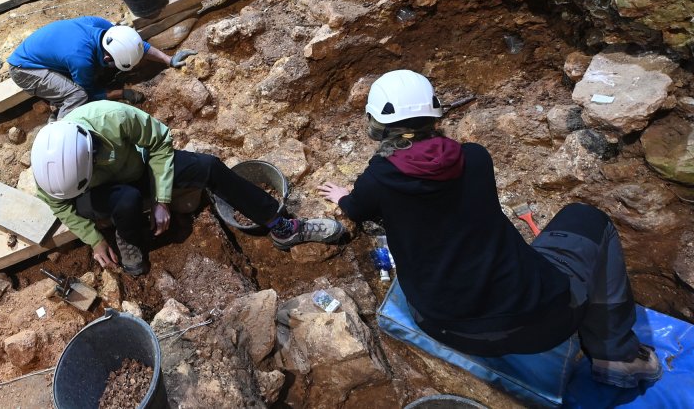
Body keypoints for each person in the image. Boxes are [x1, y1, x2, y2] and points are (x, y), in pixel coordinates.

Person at [317, 70, 661, 389]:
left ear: (376, 124)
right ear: (436, 114)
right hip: (540, 323)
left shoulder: (377, 180)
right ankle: (618, 358)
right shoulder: (476, 159)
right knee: (585, 218)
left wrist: (345, 196)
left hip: (440, 322)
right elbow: (442, 175)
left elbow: (356, 208)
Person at [32, 101, 344, 276]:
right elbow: (60, 205)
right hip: (102, 196)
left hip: (135, 170)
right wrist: (94, 240)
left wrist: (162, 200)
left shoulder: (113, 118)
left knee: (207, 165)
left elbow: (159, 143)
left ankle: (281, 226)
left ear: (93, 152)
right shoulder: (50, 168)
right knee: (124, 199)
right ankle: (129, 241)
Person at [7, 16, 196, 119]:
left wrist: (168, 60)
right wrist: (121, 93)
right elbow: (87, 94)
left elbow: (136, 44)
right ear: (106, 56)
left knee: (99, 75)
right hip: (25, 69)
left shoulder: (105, 27)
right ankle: (58, 128)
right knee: (76, 96)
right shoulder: (81, 60)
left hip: (48, 57)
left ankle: (56, 100)